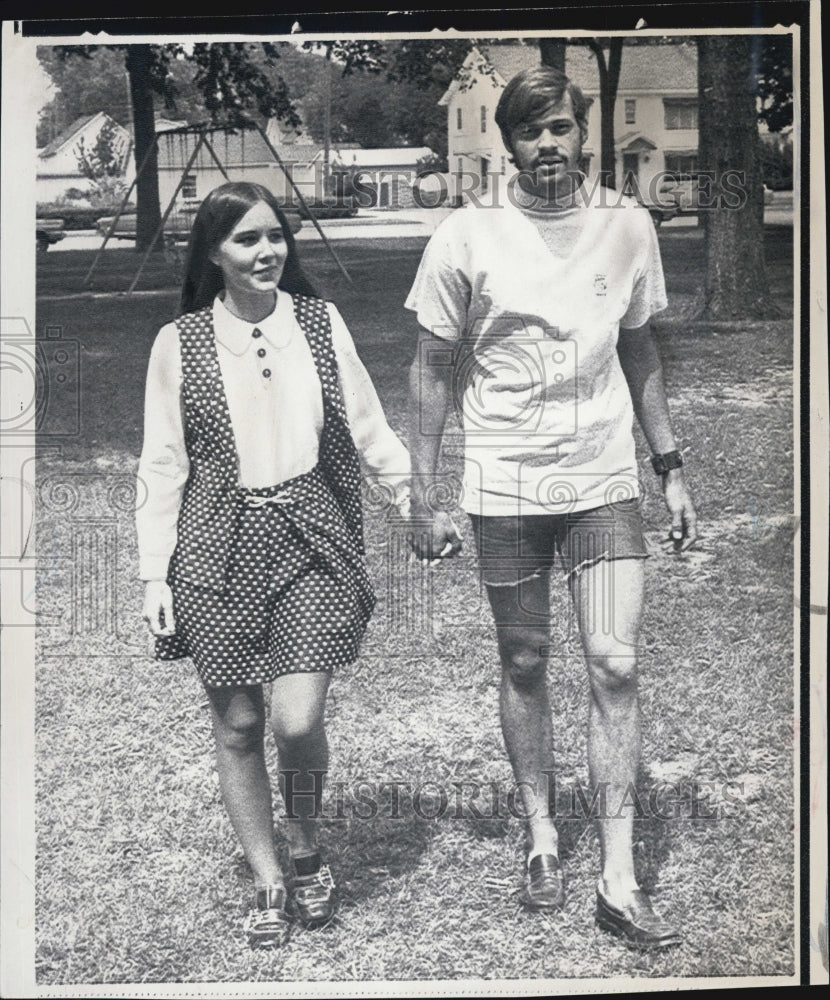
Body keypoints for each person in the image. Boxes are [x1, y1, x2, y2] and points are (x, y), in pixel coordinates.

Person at [405, 66, 697, 949]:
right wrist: (424, 491)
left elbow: (641, 346)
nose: (548, 147)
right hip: (504, 489)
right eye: (531, 132)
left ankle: (616, 873)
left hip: (602, 482)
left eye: (562, 128)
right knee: (526, 659)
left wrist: (669, 464)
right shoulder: (465, 235)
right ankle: (539, 832)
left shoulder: (626, 226)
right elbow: (427, 367)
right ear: (506, 142)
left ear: (583, 134)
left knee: (614, 664)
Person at [136, 181, 409, 948]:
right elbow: (161, 464)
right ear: (214, 255)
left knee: (297, 719)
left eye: (275, 237)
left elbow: (369, 425)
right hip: (213, 548)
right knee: (239, 724)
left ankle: (306, 844)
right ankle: (265, 877)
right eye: (246, 240)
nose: (265, 252)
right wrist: (155, 575)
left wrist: (411, 500)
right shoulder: (178, 342)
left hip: (310, 537)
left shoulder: (320, 323)